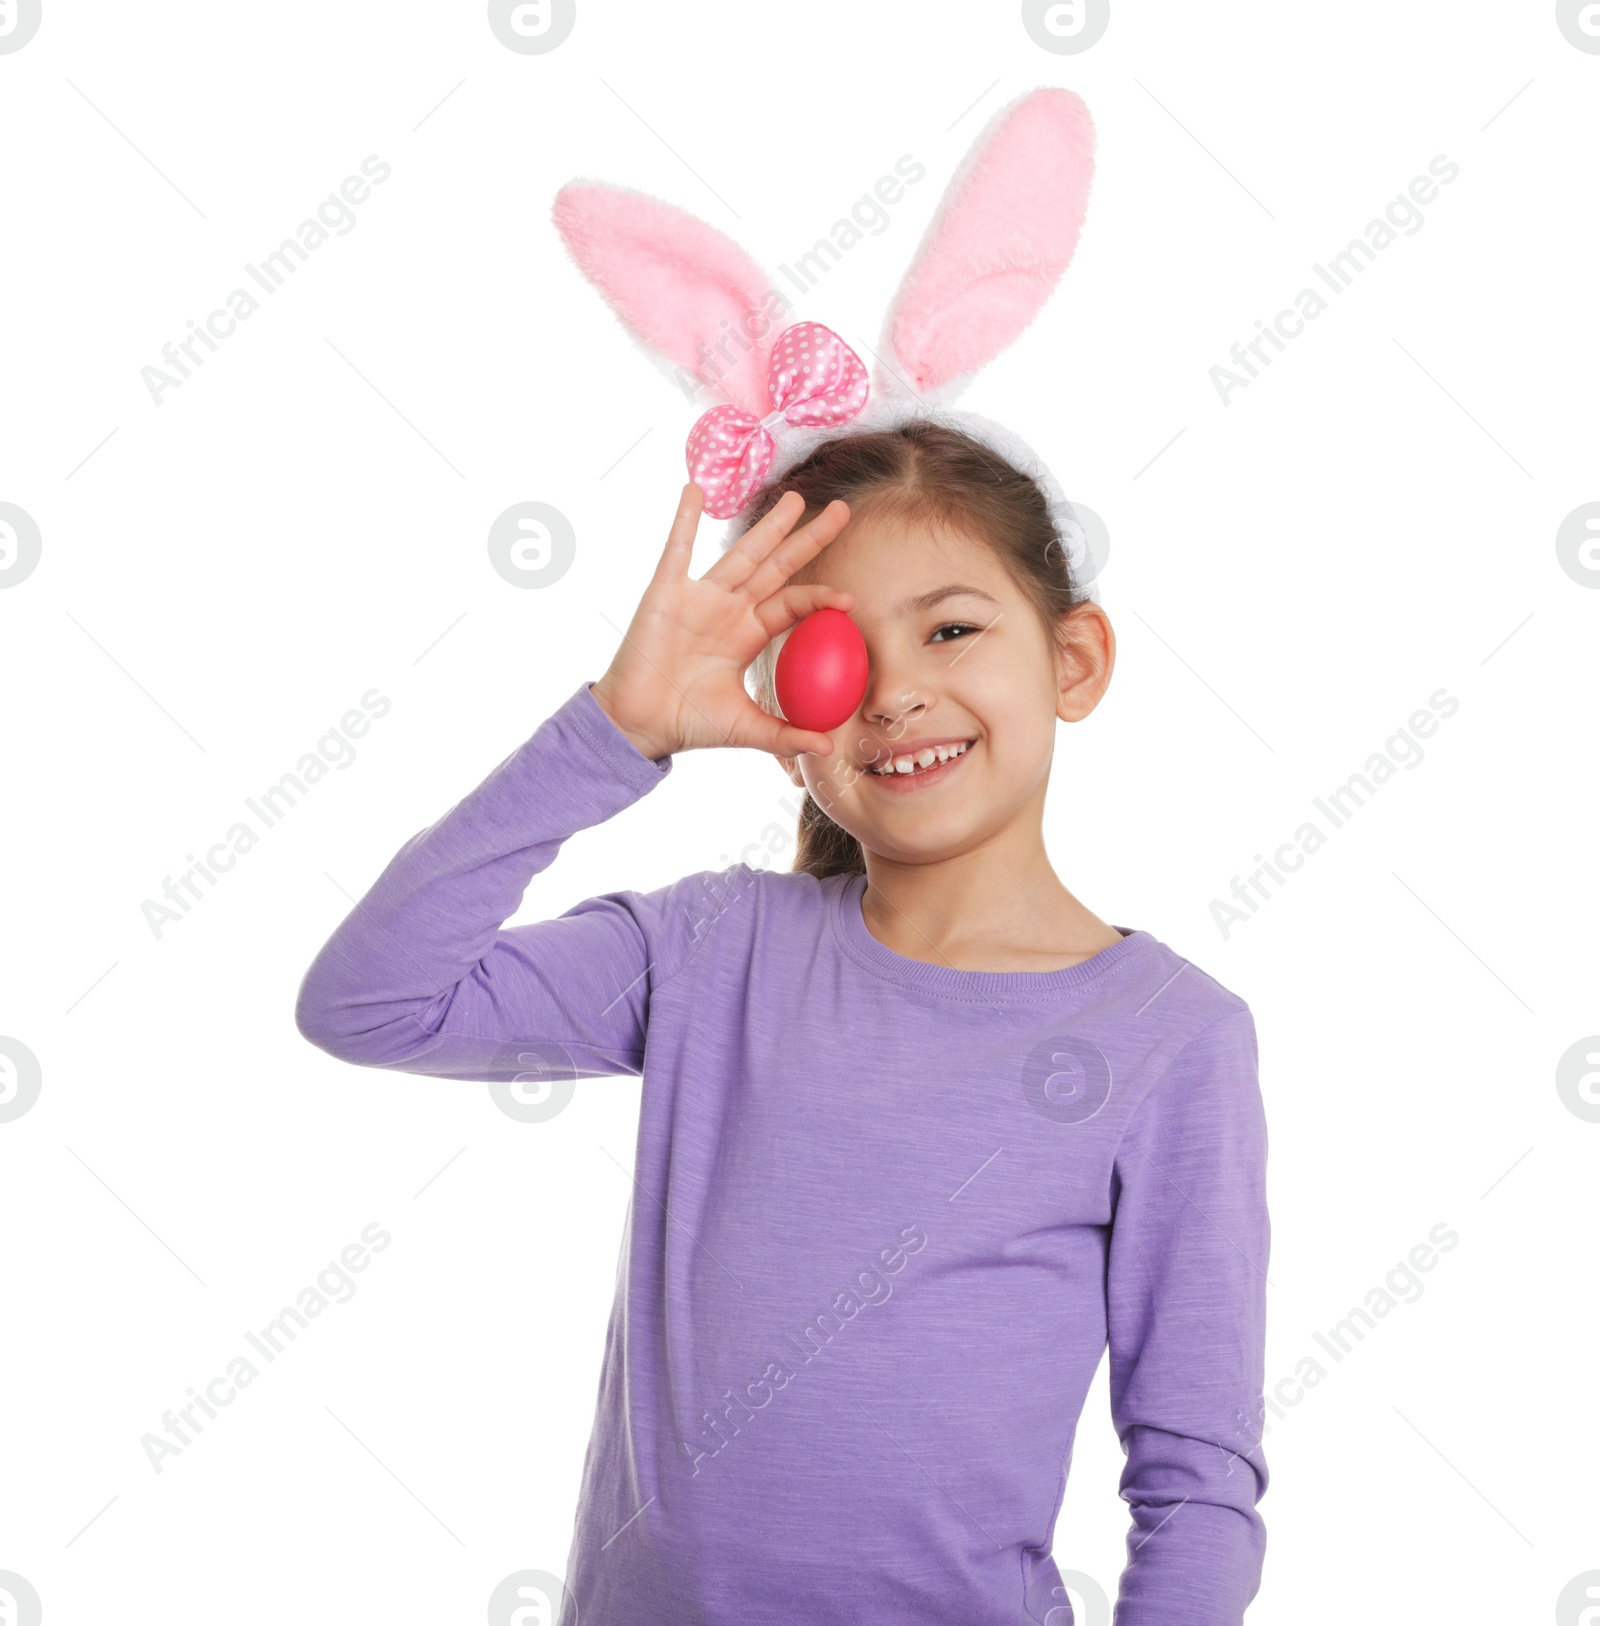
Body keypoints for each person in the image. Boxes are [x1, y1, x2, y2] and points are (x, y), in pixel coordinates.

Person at [294, 418, 1272, 1625]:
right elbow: (373, 1002)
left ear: (1073, 659)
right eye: (833, 658)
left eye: (951, 628)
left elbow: (1195, 1477)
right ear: (778, 713)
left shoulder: (1171, 1037)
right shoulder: (711, 947)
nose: (898, 691)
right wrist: (616, 728)